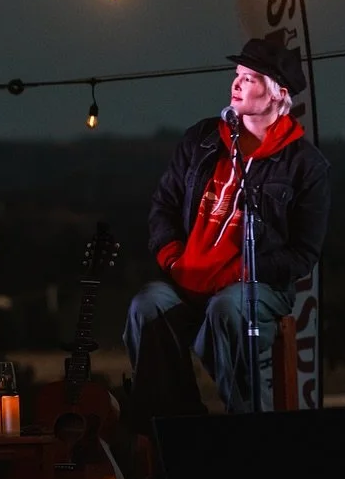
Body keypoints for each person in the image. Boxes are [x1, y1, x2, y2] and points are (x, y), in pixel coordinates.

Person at [123, 33, 330, 414]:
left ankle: (250, 425)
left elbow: (303, 254)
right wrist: (171, 256)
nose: (235, 83)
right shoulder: (203, 139)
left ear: (275, 94)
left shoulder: (305, 165)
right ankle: (176, 423)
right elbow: (164, 204)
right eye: (237, 74)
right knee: (146, 305)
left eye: (249, 78)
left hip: (254, 286)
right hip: (189, 280)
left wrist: (244, 269)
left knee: (228, 309)